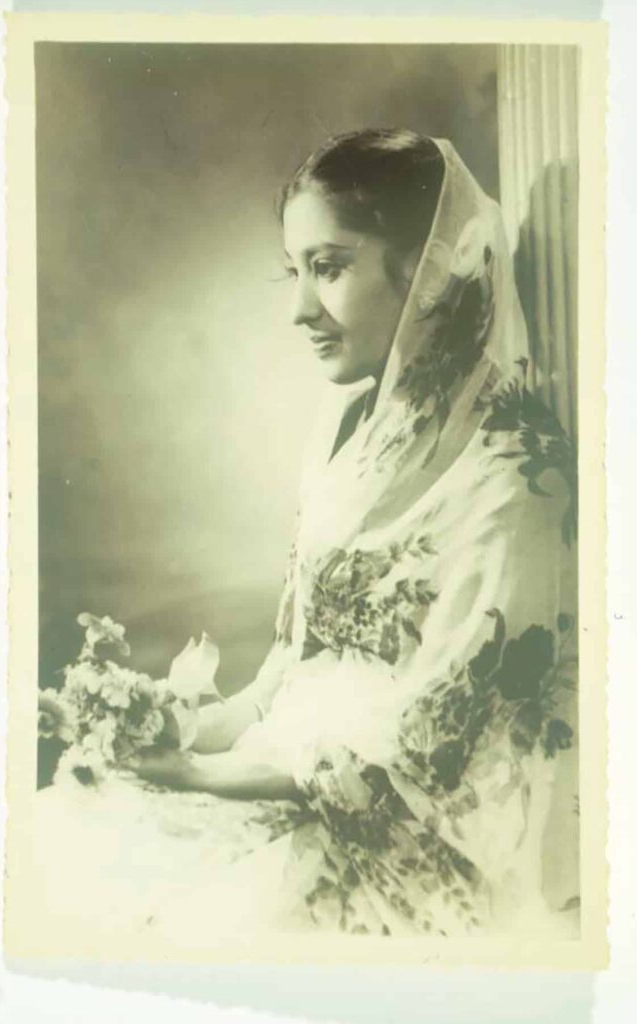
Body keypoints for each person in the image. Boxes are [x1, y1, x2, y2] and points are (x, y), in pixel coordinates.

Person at [34, 130, 579, 946]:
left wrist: (201, 773)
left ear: (426, 271)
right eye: (295, 271)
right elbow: (288, 672)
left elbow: (429, 759)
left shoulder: (514, 474)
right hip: (275, 769)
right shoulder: (348, 427)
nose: (299, 309)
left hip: (408, 837)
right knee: (54, 840)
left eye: (329, 267)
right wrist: (177, 730)